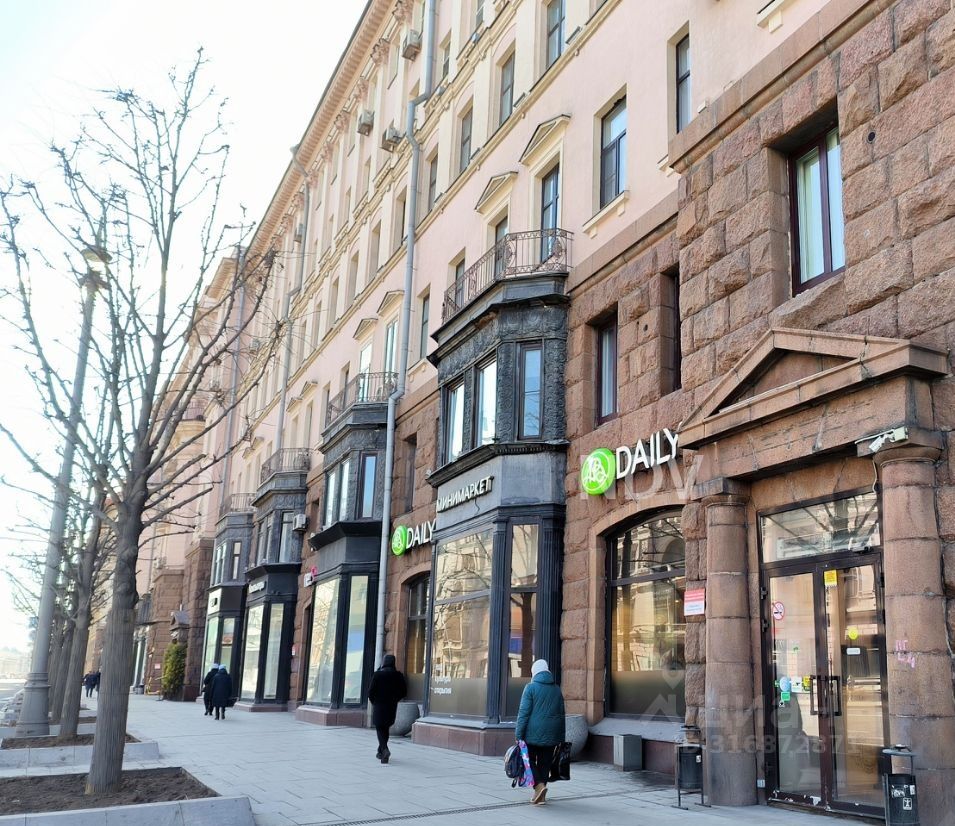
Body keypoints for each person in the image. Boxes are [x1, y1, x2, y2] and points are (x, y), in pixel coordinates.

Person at [515, 659, 565, 805]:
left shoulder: (530, 688)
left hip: (532, 733)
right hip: (552, 734)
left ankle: (538, 786)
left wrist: (518, 735)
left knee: (528, 761)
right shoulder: (557, 689)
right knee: (545, 763)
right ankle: (540, 796)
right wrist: (561, 737)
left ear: (534, 672)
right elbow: (562, 714)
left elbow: (523, 713)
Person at [367, 654, 406, 764]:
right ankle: (381, 752)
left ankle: (384, 749)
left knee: (380, 728)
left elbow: (370, 692)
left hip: (379, 705)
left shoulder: (378, 674)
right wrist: (395, 699)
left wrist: (375, 702)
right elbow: (404, 692)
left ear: (383, 662)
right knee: (386, 728)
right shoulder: (398, 675)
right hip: (391, 706)